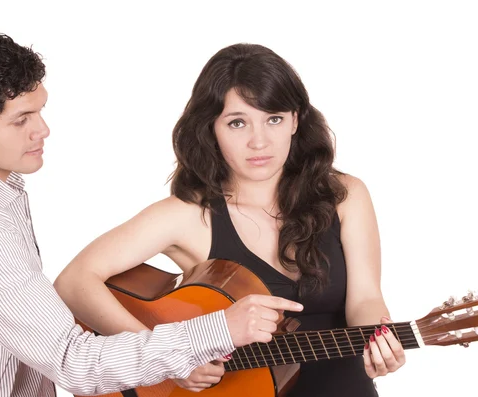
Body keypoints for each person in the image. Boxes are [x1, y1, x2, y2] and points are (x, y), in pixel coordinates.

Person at [0, 28, 303, 397]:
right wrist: (218, 329)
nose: (43, 130)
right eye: (21, 120)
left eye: (40, 110)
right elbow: (74, 362)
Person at [54, 43, 406, 396]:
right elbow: (74, 282)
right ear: (211, 129)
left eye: (274, 119)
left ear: (296, 120)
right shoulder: (188, 215)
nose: (259, 141)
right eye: (238, 122)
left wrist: (380, 338)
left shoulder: (345, 195)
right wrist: (167, 357)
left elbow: (365, 298)